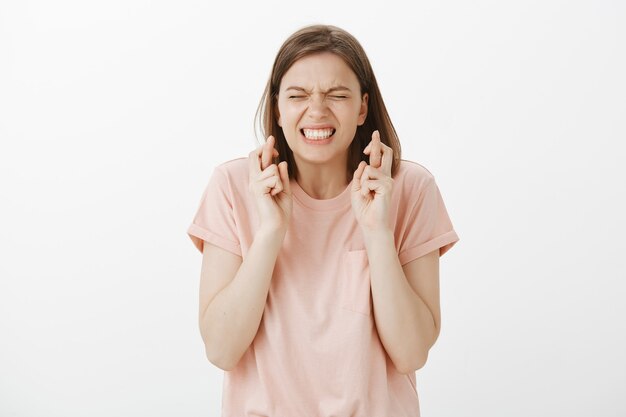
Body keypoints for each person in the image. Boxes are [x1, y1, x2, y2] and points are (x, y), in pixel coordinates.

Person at [187, 24, 459, 417]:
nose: (317, 111)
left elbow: (411, 353)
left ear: (362, 107)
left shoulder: (411, 188)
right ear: (278, 108)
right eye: (298, 95)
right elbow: (221, 350)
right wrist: (269, 233)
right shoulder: (232, 186)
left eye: (337, 95)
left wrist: (377, 232)